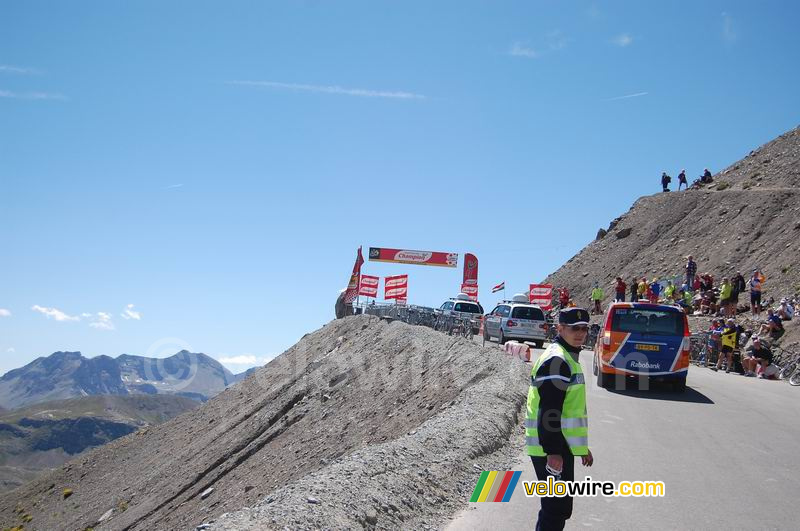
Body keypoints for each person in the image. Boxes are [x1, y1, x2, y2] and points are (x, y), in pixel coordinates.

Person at [526, 308, 593, 530]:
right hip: (550, 447)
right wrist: (553, 451)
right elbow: (550, 410)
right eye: (575, 329)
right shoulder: (557, 360)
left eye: (584, 328)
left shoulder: (566, 357)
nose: (580, 333)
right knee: (555, 509)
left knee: (558, 508)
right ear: (560, 328)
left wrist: (580, 447)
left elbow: (568, 411)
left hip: (560, 445)